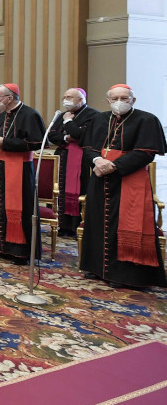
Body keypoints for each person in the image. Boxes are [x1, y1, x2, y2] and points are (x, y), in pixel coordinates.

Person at [80, 84, 166, 287]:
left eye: (124, 98)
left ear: (133, 100)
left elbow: (146, 152)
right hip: (100, 177)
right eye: (115, 98)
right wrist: (97, 161)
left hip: (129, 178)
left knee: (125, 222)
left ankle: (125, 275)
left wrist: (115, 166)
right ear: (107, 101)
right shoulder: (99, 119)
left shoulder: (147, 120)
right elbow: (88, 148)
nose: (120, 102)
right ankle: (96, 267)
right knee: (97, 221)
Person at [0, 83, 45, 264]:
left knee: (20, 208)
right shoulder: (0, 117)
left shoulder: (30, 114)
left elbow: (37, 143)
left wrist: (5, 142)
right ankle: (3, 246)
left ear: (9, 98)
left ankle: (20, 251)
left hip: (19, 169)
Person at [48, 88, 100, 237]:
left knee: (81, 190)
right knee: (60, 190)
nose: (66, 100)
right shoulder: (62, 114)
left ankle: (79, 225)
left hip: (83, 159)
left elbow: (80, 134)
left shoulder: (93, 115)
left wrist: (68, 122)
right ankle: (63, 225)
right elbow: (52, 135)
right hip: (63, 156)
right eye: (65, 96)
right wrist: (65, 138)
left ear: (81, 99)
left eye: (70, 97)